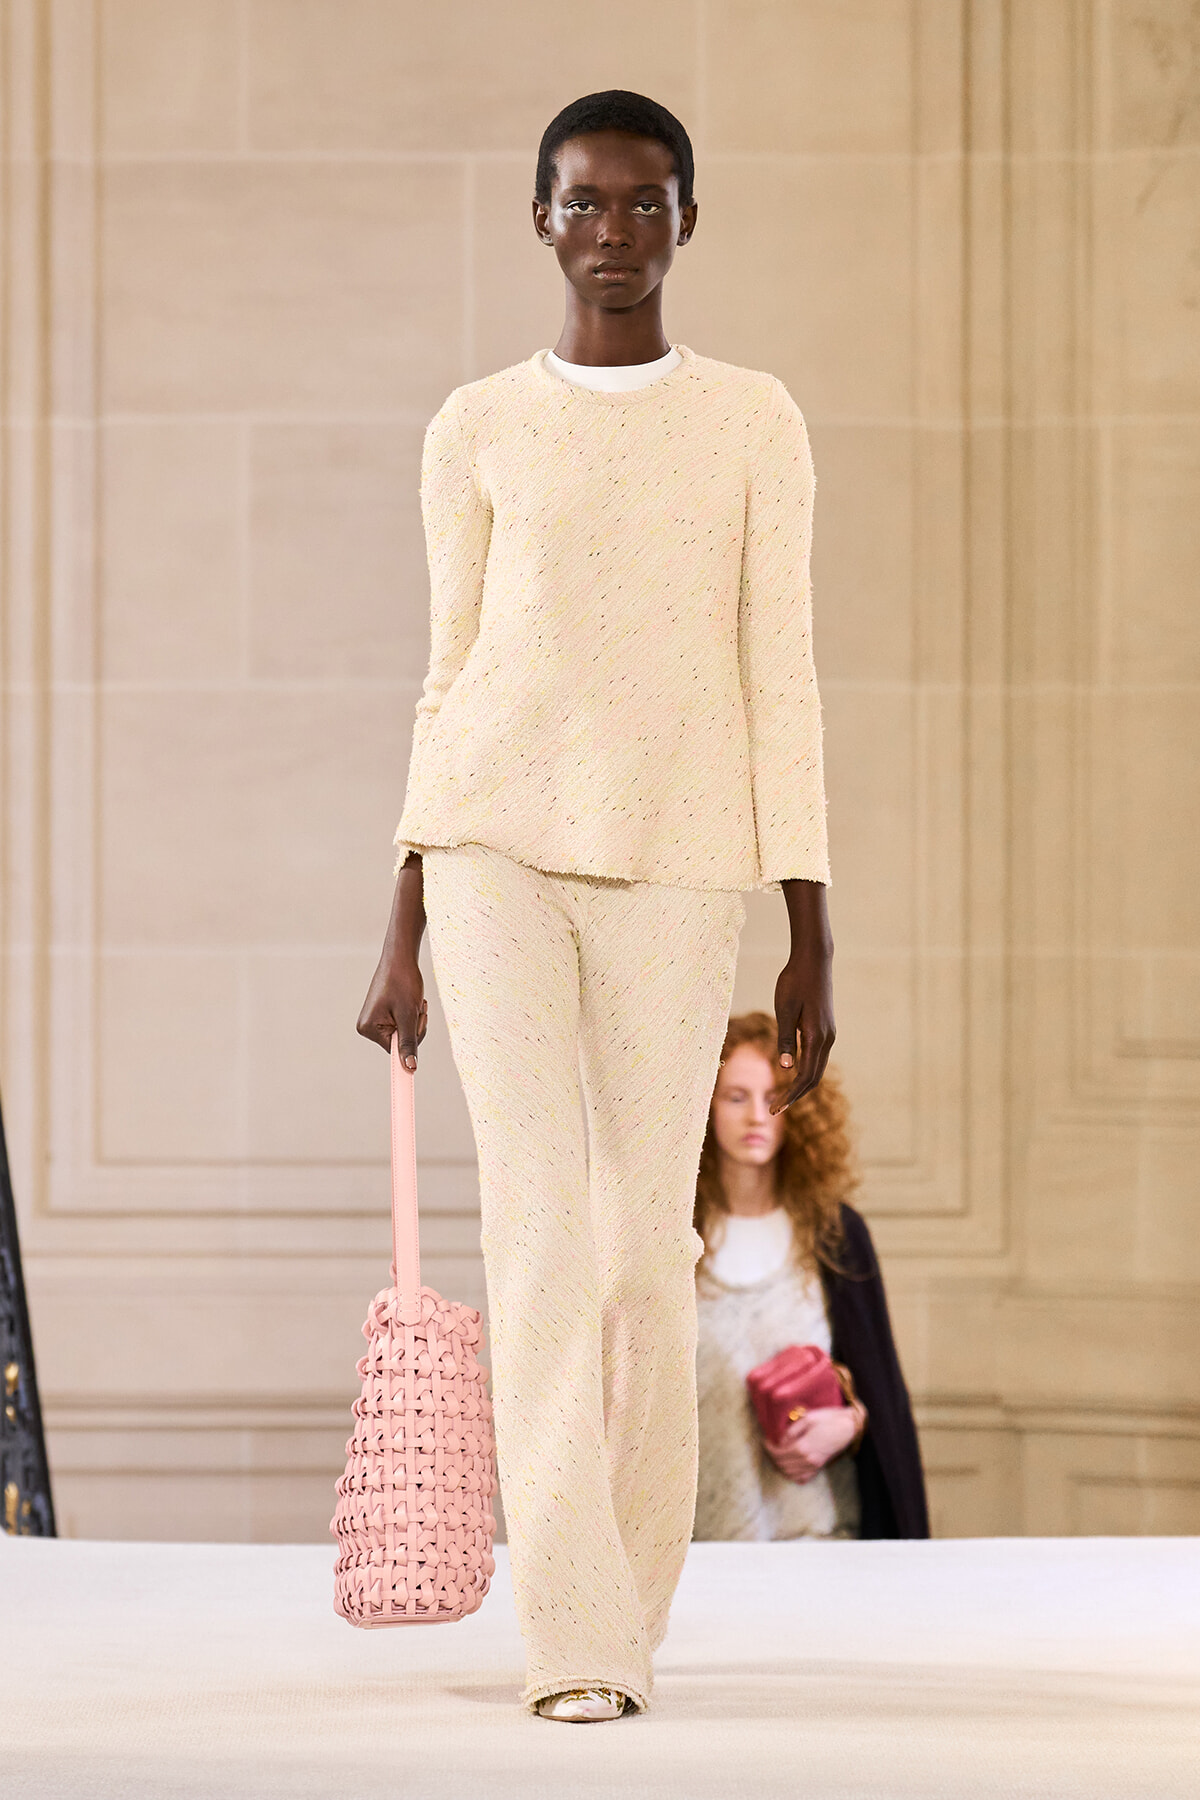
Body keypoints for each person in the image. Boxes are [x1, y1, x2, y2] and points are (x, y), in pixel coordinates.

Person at [357, 90, 835, 1723]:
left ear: (687, 220)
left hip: (683, 863)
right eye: (584, 202)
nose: (613, 232)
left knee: (638, 1245)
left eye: (644, 203)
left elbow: (782, 675)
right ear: (541, 219)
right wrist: (404, 915)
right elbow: (449, 676)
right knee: (538, 1235)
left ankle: (628, 1596)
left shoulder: (753, 422)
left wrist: (810, 922)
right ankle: (572, 1631)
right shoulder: (476, 426)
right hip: (491, 854)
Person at [694, 1012, 929, 1542]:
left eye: (775, 1096)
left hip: (819, 1539)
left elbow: (883, 1395)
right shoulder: (670, 1239)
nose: (757, 1115)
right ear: (704, 1106)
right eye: (735, 1097)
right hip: (701, 1549)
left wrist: (851, 1423)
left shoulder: (835, 1235)